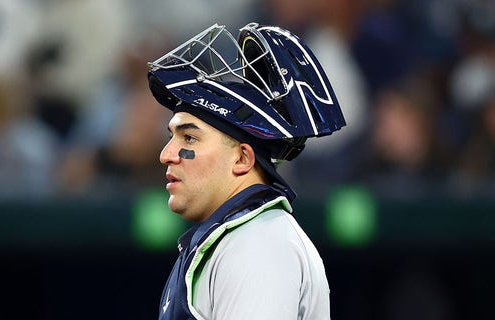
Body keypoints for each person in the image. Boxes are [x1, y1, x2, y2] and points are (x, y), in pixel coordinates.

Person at [147, 23, 347, 319]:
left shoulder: (259, 243)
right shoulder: (238, 238)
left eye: (189, 138)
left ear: (242, 159)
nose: (167, 155)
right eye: (170, 137)